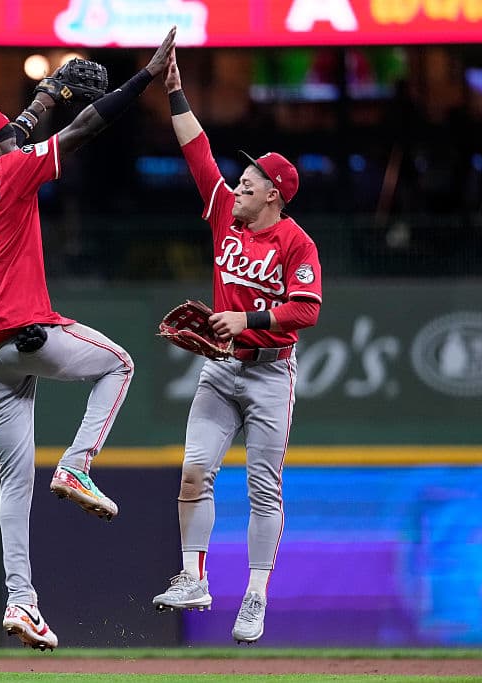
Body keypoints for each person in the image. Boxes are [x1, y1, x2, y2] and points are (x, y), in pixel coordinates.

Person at [0, 27, 177, 651]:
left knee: (14, 482)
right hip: (23, 333)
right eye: (6, 140)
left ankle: (22, 604)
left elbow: (12, 133)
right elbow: (81, 131)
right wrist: (143, 79)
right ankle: (77, 465)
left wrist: (46, 95)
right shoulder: (11, 173)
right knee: (118, 365)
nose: (17, 139)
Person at [151, 49, 323, 645]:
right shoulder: (225, 211)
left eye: (251, 180)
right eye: (242, 178)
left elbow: (306, 310)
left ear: (274, 195)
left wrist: (245, 316)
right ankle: (194, 577)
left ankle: (254, 595)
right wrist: (174, 90)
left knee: (262, 486)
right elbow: (196, 149)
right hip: (221, 372)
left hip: (270, 373)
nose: (239, 182)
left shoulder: (296, 243)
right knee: (195, 470)